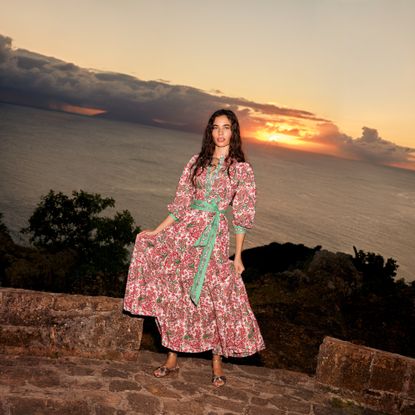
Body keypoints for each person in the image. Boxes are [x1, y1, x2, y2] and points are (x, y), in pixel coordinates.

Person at [123, 108, 265, 387]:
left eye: (226, 127)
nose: (221, 133)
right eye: (216, 127)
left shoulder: (240, 169)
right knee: (177, 295)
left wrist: (238, 256)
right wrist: (157, 231)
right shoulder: (195, 163)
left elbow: (243, 215)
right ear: (209, 131)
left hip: (213, 236)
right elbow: (180, 204)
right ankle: (172, 358)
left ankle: (216, 361)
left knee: (215, 298)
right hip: (185, 233)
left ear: (234, 132)